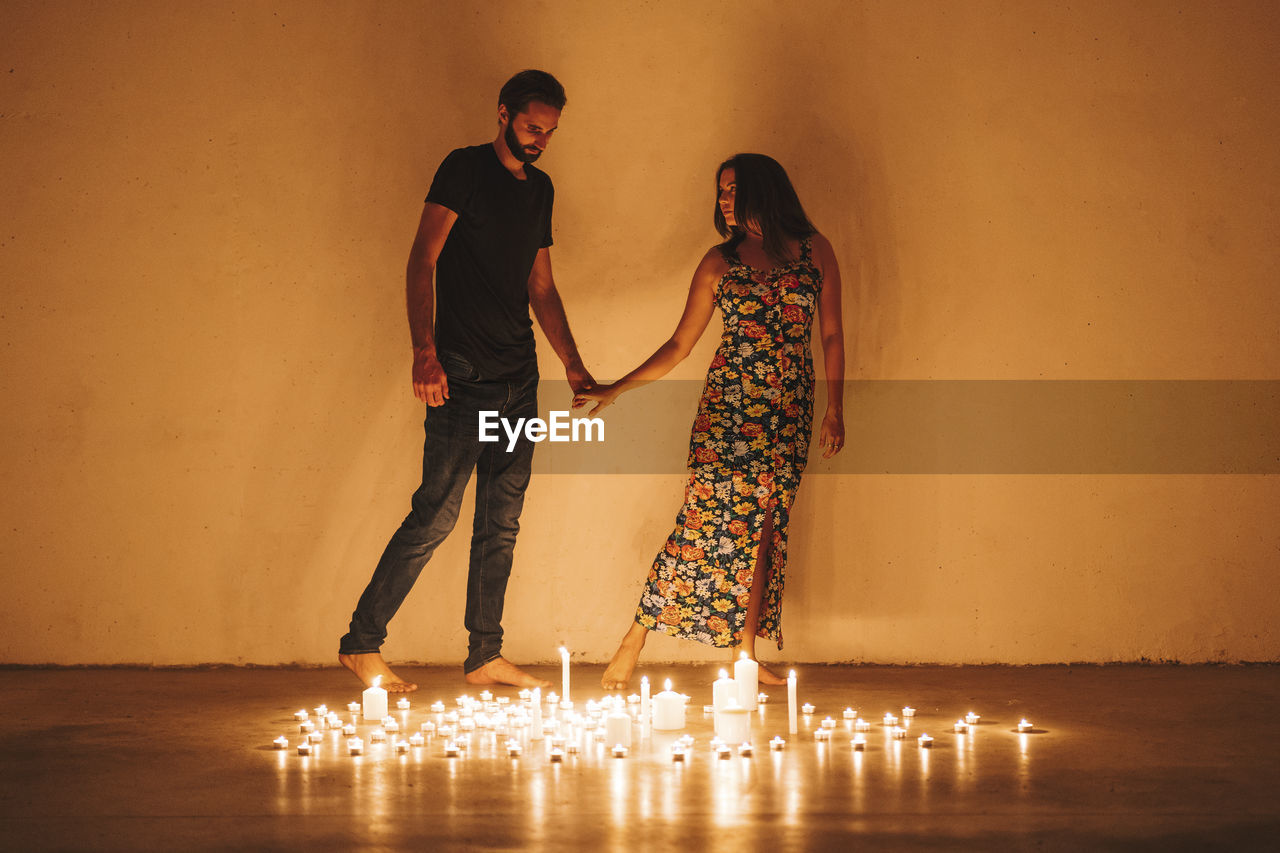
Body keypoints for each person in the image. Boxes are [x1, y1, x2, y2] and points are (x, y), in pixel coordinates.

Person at [339, 70, 594, 692]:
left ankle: (485, 654)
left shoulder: (540, 190)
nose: (540, 139)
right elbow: (422, 257)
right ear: (504, 113)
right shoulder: (464, 168)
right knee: (436, 515)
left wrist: (573, 362)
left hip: (519, 377)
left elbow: (541, 284)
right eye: (533, 126)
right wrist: (423, 350)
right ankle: (361, 642)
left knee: (501, 522)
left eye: (550, 132)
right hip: (463, 375)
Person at [575, 153, 845, 689]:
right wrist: (617, 387)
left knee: (765, 529)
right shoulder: (719, 262)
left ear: (765, 192)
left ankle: (743, 657)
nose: (724, 200)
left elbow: (831, 333)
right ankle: (635, 638)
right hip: (728, 412)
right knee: (702, 524)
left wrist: (837, 407)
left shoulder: (814, 251)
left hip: (788, 412)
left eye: (734, 189)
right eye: (720, 191)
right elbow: (679, 344)